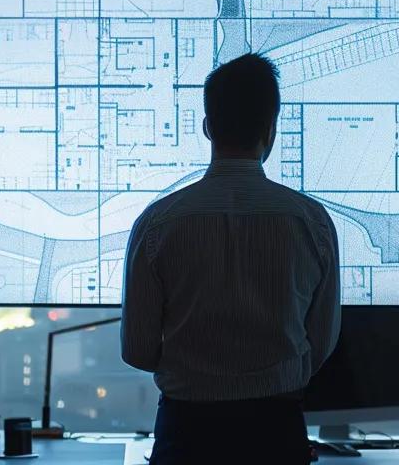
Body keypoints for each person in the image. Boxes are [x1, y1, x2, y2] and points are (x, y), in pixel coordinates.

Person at [121, 53, 342, 464]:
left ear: (207, 127)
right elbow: (322, 342)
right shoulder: (312, 222)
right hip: (277, 433)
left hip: (186, 435)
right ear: (271, 130)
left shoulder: (157, 224)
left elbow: (137, 351)